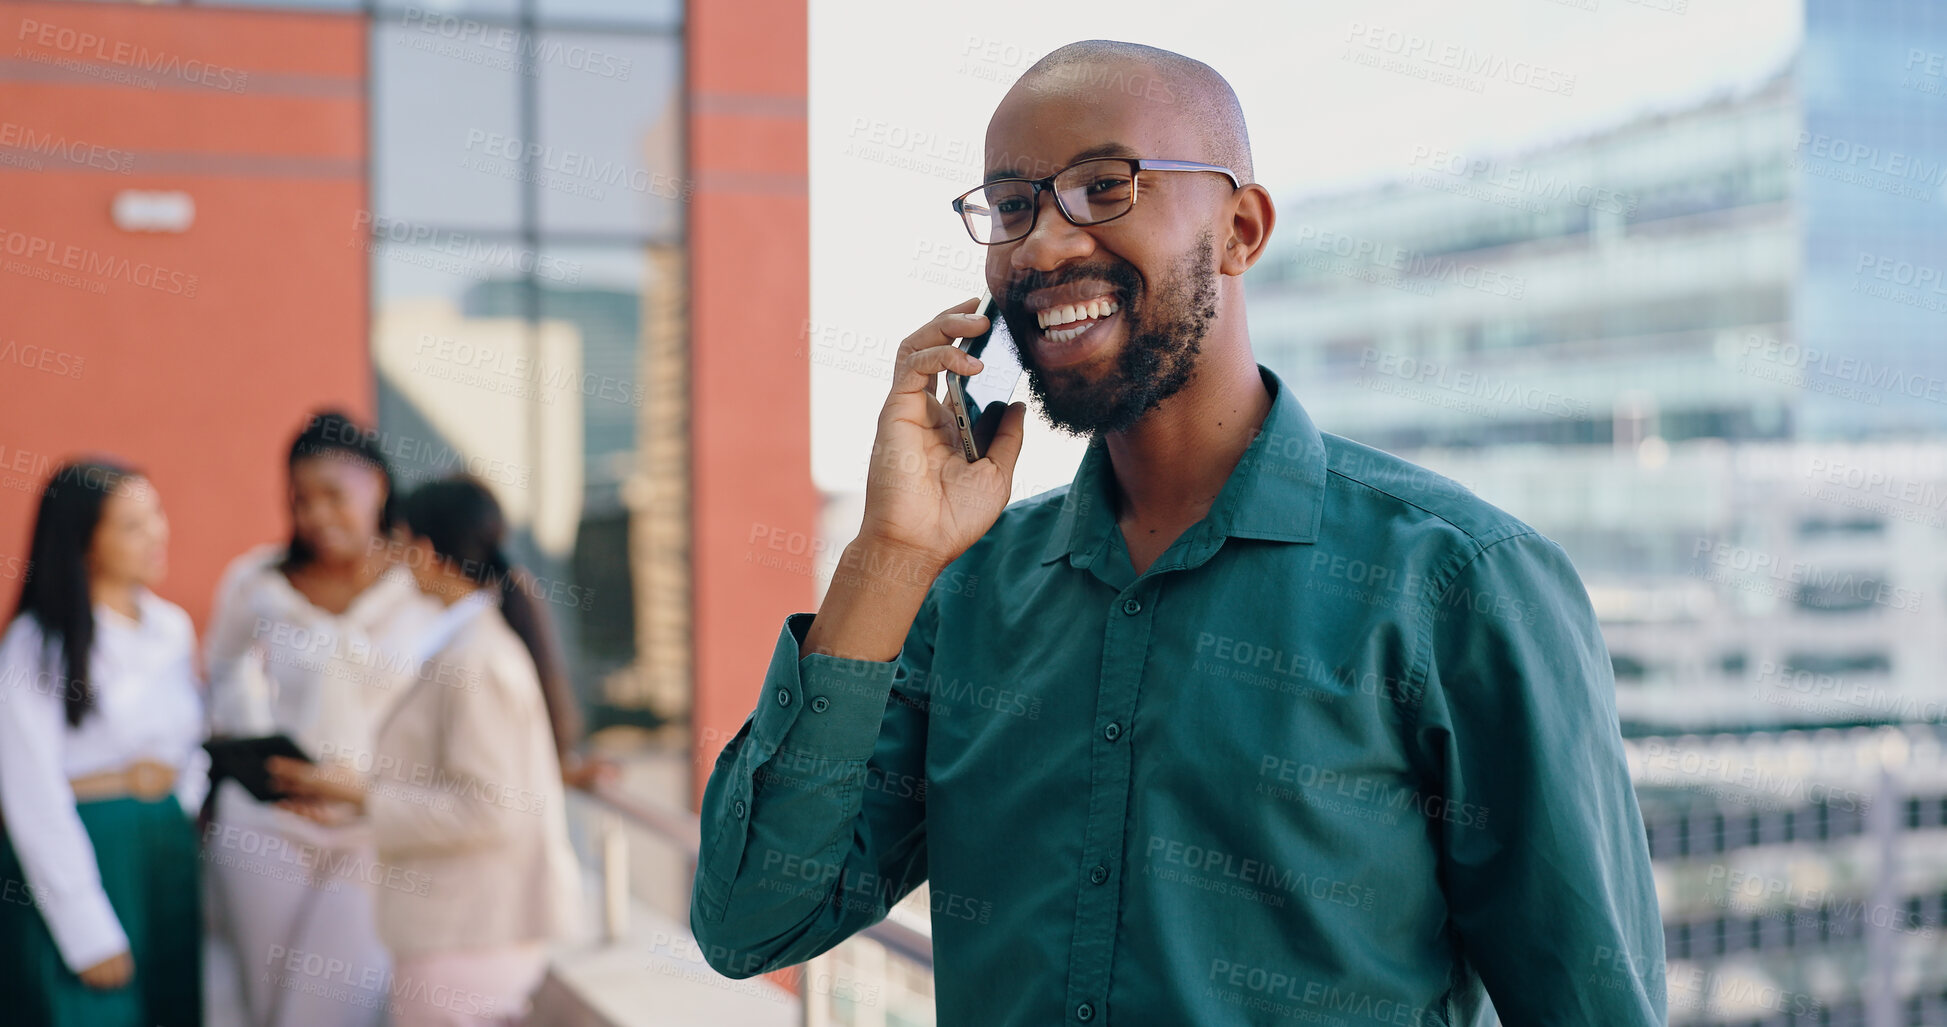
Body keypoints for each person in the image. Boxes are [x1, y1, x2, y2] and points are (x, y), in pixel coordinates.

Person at [690, 39, 1667, 1026]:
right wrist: (889, 557)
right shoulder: (961, 598)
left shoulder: (1461, 584)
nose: (1042, 246)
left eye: (1104, 187)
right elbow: (751, 923)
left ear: (1240, 229)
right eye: (1014, 204)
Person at [268, 475, 582, 1027]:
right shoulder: (466, 645)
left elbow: (489, 807)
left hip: (468, 935)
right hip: (463, 932)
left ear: (428, 552)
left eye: (402, 543)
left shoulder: (475, 660)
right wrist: (350, 802)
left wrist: (362, 793)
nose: (394, 560)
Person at [201, 410, 443, 1026]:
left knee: (330, 1010)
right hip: (269, 822)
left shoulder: (421, 585)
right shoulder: (257, 580)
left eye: (334, 495)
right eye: (301, 500)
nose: (316, 514)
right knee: (266, 1007)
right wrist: (261, 744)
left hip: (372, 829)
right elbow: (223, 668)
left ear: (377, 485)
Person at [0, 460, 204, 1026]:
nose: (157, 534)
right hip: (88, 850)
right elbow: (29, 791)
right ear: (84, 541)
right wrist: (84, 927)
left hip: (165, 851)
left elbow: (190, 745)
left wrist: (177, 803)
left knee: (169, 1005)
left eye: (156, 515)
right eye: (132, 525)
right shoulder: (36, 643)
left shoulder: (171, 628)